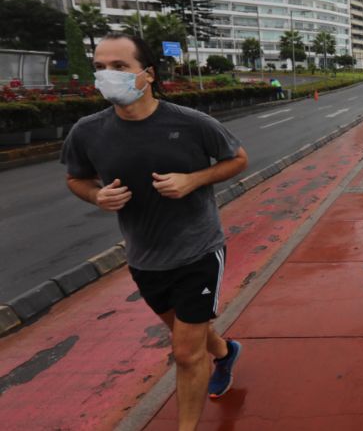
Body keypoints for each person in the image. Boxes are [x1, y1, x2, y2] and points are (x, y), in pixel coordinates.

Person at [60, 33, 248, 431]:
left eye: (119, 67)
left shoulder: (192, 123)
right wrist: (96, 197)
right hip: (144, 258)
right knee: (190, 335)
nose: (107, 76)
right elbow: (75, 179)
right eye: (100, 67)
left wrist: (194, 180)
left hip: (198, 251)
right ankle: (226, 351)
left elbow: (237, 159)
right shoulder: (88, 132)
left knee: (184, 352)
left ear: (147, 75)